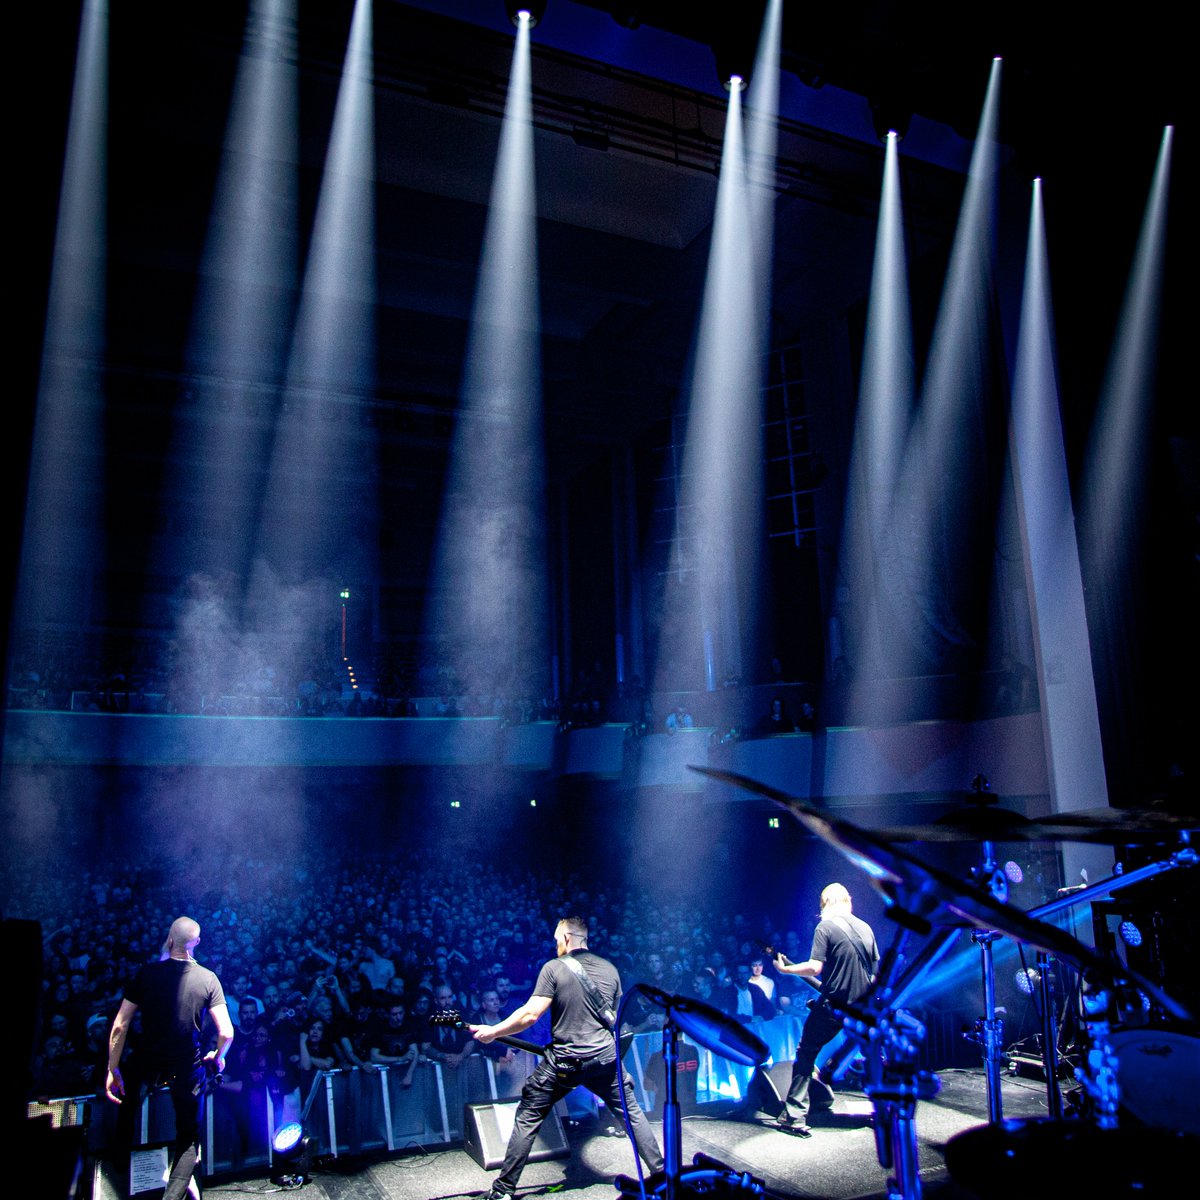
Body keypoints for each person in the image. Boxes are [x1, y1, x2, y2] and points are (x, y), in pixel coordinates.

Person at [467, 915, 664, 1200]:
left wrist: (493, 1031)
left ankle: (503, 1191)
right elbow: (615, 1020)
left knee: (529, 1114)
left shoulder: (553, 968)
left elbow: (531, 1014)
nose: (555, 944)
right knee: (632, 1115)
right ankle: (662, 1177)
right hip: (605, 1059)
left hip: (567, 1061)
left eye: (558, 939)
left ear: (568, 937)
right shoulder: (610, 969)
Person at [106, 916, 234, 1200]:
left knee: (127, 1107)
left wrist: (112, 1068)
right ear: (197, 943)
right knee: (188, 1136)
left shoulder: (147, 973)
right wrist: (218, 1055)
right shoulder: (208, 978)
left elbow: (120, 1025)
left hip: (147, 1062)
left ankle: (116, 1171)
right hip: (186, 1067)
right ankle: (172, 1196)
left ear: (169, 938)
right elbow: (226, 1031)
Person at [772, 883, 878, 1136]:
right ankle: (885, 1109)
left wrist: (786, 969)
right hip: (863, 1008)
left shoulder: (825, 927)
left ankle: (795, 1116)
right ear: (847, 901)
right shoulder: (865, 927)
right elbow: (875, 975)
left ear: (826, 903)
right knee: (872, 1056)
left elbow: (814, 967)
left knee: (806, 1053)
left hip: (834, 1007)